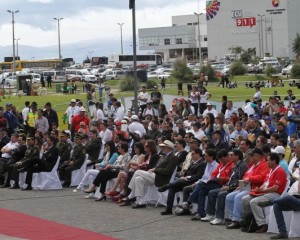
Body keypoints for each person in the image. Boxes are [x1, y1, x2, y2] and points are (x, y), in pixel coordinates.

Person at [241, 152, 287, 233]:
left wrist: (261, 191)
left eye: (268, 160)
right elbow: (265, 183)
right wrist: (259, 188)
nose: (267, 162)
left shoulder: (280, 171)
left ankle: (262, 224)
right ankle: (247, 221)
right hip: (265, 193)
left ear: (274, 161)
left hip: (275, 194)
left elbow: (275, 188)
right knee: (245, 199)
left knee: (254, 202)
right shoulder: (270, 170)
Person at [126, 140, 178, 208]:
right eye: (162, 147)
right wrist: (153, 169)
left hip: (162, 178)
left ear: (169, 148)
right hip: (155, 175)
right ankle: (141, 202)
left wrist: (154, 169)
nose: (162, 148)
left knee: (137, 172)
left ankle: (131, 194)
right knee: (138, 179)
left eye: (164, 147)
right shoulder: (163, 156)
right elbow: (156, 166)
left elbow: (167, 171)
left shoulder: (173, 158)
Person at [226, 148, 269, 229]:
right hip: (246, 187)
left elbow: (262, 177)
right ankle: (234, 218)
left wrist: (250, 179)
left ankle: (237, 220)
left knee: (238, 197)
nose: (250, 158)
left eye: (252, 156)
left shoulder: (264, 165)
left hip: (254, 188)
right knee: (229, 197)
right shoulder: (253, 165)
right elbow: (245, 176)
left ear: (257, 156)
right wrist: (240, 185)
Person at [203, 150, 248, 225]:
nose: (229, 157)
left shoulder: (242, 165)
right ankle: (210, 214)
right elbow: (231, 178)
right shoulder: (235, 165)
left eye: (231, 155)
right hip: (229, 186)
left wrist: (229, 187)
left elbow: (240, 179)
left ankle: (220, 217)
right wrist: (226, 185)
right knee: (212, 192)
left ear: (237, 156)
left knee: (222, 194)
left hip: (235, 188)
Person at [158, 147, 206, 215]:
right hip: (185, 181)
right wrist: (184, 176)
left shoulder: (202, 163)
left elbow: (199, 176)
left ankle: (167, 186)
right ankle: (168, 209)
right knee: (172, 188)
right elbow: (188, 172)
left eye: (193, 154)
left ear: (198, 154)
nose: (191, 155)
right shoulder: (193, 162)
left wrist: (187, 177)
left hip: (193, 182)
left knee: (179, 182)